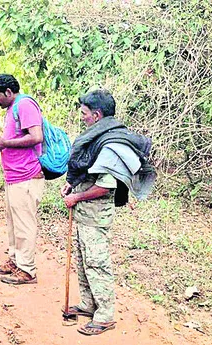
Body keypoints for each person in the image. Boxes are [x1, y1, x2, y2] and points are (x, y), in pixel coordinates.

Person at [61, 89, 155, 336]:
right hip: (84, 212)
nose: (82, 117)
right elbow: (88, 171)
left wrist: (77, 196)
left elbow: (105, 186)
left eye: (84, 113)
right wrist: (72, 185)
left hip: (95, 214)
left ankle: (104, 316)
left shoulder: (111, 144)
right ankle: (88, 304)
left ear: (97, 114)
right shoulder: (98, 137)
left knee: (97, 263)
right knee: (83, 261)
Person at [0, 74, 45, 285]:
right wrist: (2, 144)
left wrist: (5, 143)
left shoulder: (25, 105)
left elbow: (36, 136)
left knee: (24, 225)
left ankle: (27, 270)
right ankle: (15, 261)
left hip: (27, 176)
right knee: (13, 223)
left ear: (8, 92)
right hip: (14, 175)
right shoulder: (12, 109)